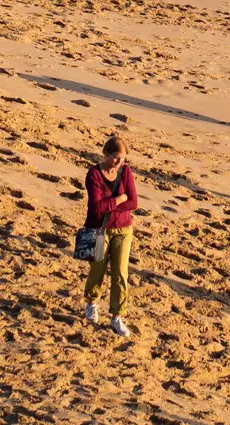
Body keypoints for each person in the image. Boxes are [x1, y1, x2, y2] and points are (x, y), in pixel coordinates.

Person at [82, 134, 139, 338]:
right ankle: (92, 302)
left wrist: (112, 203)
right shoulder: (94, 175)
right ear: (106, 154)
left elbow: (133, 203)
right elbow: (96, 208)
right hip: (100, 229)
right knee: (97, 269)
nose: (119, 162)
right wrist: (119, 199)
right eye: (116, 157)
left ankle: (117, 316)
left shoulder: (126, 172)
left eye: (122, 158)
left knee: (120, 273)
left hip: (124, 229)